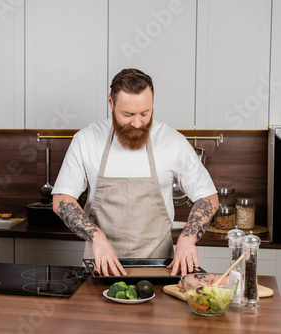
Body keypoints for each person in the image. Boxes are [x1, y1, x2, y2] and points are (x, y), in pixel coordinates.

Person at [52, 68, 218, 277]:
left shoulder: (172, 141)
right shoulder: (86, 140)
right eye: (128, 114)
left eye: (145, 113)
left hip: (160, 268)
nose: (138, 123)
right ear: (111, 104)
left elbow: (208, 198)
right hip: (100, 268)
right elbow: (61, 200)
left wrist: (188, 237)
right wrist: (96, 237)